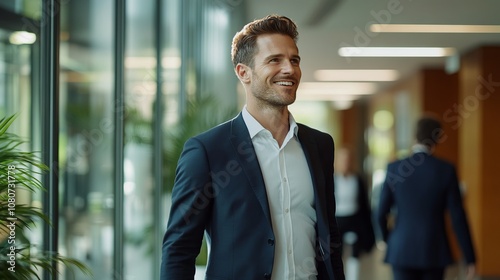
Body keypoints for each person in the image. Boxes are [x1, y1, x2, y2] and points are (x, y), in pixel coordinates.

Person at [160, 15, 345, 280]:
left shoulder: (320, 145)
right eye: (274, 60)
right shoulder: (207, 151)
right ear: (243, 72)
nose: (289, 69)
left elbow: (330, 234)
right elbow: (180, 248)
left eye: (294, 60)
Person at [377, 115, 476, 280]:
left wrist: (390, 239)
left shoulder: (394, 168)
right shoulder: (446, 170)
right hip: (434, 249)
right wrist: (470, 257)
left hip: (401, 248)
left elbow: (380, 212)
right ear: (437, 139)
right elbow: (458, 217)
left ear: (414, 136)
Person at [334, 147, 375, 280]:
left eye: (348, 159)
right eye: (342, 159)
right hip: (336, 221)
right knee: (335, 254)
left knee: (355, 254)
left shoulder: (358, 180)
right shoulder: (331, 180)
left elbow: (364, 205)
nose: (345, 163)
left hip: (354, 221)